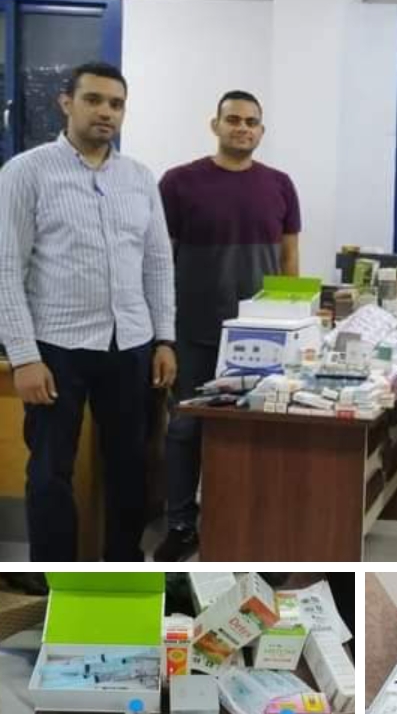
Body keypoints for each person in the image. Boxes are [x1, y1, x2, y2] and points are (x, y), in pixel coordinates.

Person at [0, 62, 176, 561]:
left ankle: (122, 568)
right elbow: (6, 268)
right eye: (93, 100)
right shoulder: (26, 172)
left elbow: (158, 263)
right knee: (51, 469)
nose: (105, 112)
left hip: (131, 345)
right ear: (66, 103)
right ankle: (55, 578)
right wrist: (24, 356)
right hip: (57, 348)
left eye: (116, 104)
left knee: (130, 465)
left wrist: (165, 339)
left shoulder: (139, 178)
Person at [153, 91, 301, 562]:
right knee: (185, 430)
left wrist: (294, 326)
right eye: (233, 119)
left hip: (262, 335)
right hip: (193, 330)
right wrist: (163, 333)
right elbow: (158, 260)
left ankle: (243, 522)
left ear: (261, 131)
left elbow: (289, 259)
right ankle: (181, 524)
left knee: (253, 433)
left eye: (251, 122)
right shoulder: (178, 182)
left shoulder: (279, 185)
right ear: (215, 125)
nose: (242, 128)